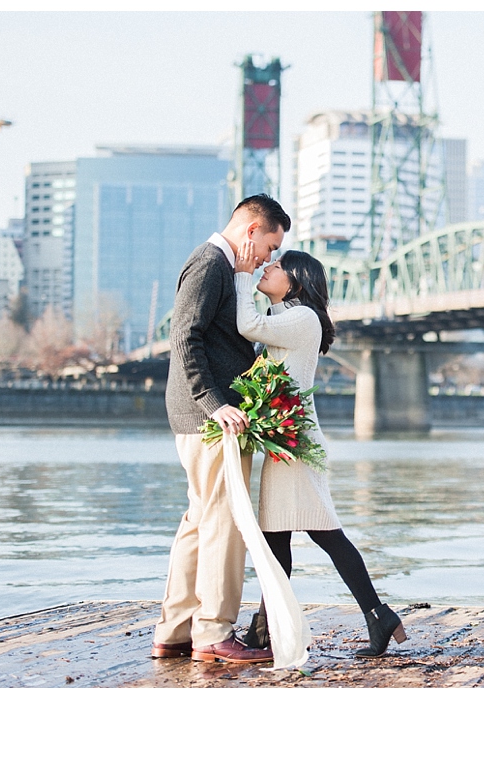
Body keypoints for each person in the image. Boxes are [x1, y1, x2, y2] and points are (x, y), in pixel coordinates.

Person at [233, 246, 407, 659]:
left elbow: (246, 323)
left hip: (296, 444)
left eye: (275, 266)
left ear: (295, 280)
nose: (265, 268)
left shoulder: (303, 318)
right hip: (288, 441)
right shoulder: (288, 318)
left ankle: (373, 615)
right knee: (279, 535)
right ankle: (271, 629)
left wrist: (241, 275)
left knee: (320, 531)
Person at [151, 194, 291, 664]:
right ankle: (212, 631)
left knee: (198, 519)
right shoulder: (211, 263)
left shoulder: (220, 267)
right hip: (211, 417)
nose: (269, 257)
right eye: (270, 246)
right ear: (251, 230)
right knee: (224, 520)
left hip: (201, 415)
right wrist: (214, 405)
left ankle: (174, 629)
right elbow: (183, 336)